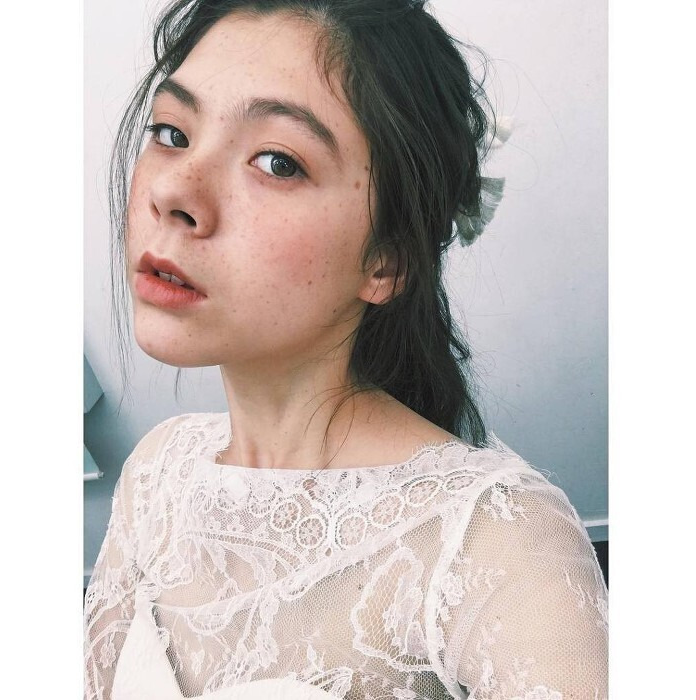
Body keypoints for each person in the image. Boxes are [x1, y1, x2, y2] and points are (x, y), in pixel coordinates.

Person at [83, 1, 608, 698]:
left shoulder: (496, 544)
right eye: (171, 133)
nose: (173, 190)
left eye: (277, 161)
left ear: (386, 260)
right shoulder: (158, 470)